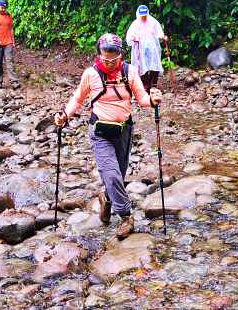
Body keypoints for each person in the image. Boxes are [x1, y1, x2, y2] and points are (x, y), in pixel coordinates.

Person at [54, 33, 162, 239]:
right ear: (99, 54)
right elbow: (77, 99)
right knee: (111, 175)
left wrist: (153, 101)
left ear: (121, 54)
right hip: (100, 132)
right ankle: (126, 217)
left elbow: (142, 99)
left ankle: (106, 198)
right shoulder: (90, 74)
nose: (110, 63)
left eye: (114, 59)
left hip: (124, 130)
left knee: (118, 176)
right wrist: (64, 115)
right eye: (106, 58)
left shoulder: (129, 72)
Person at [126, 5, 167, 92]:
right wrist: (134, 38)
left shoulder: (153, 22)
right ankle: (145, 85)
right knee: (141, 65)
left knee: (154, 64)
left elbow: (159, 32)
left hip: (152, 47)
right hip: (140, 49)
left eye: (145, 15)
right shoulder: (135, 24)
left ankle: (154, 84)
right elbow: (129, 37)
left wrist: (163, 37)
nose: (144, 17)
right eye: (142, 15)